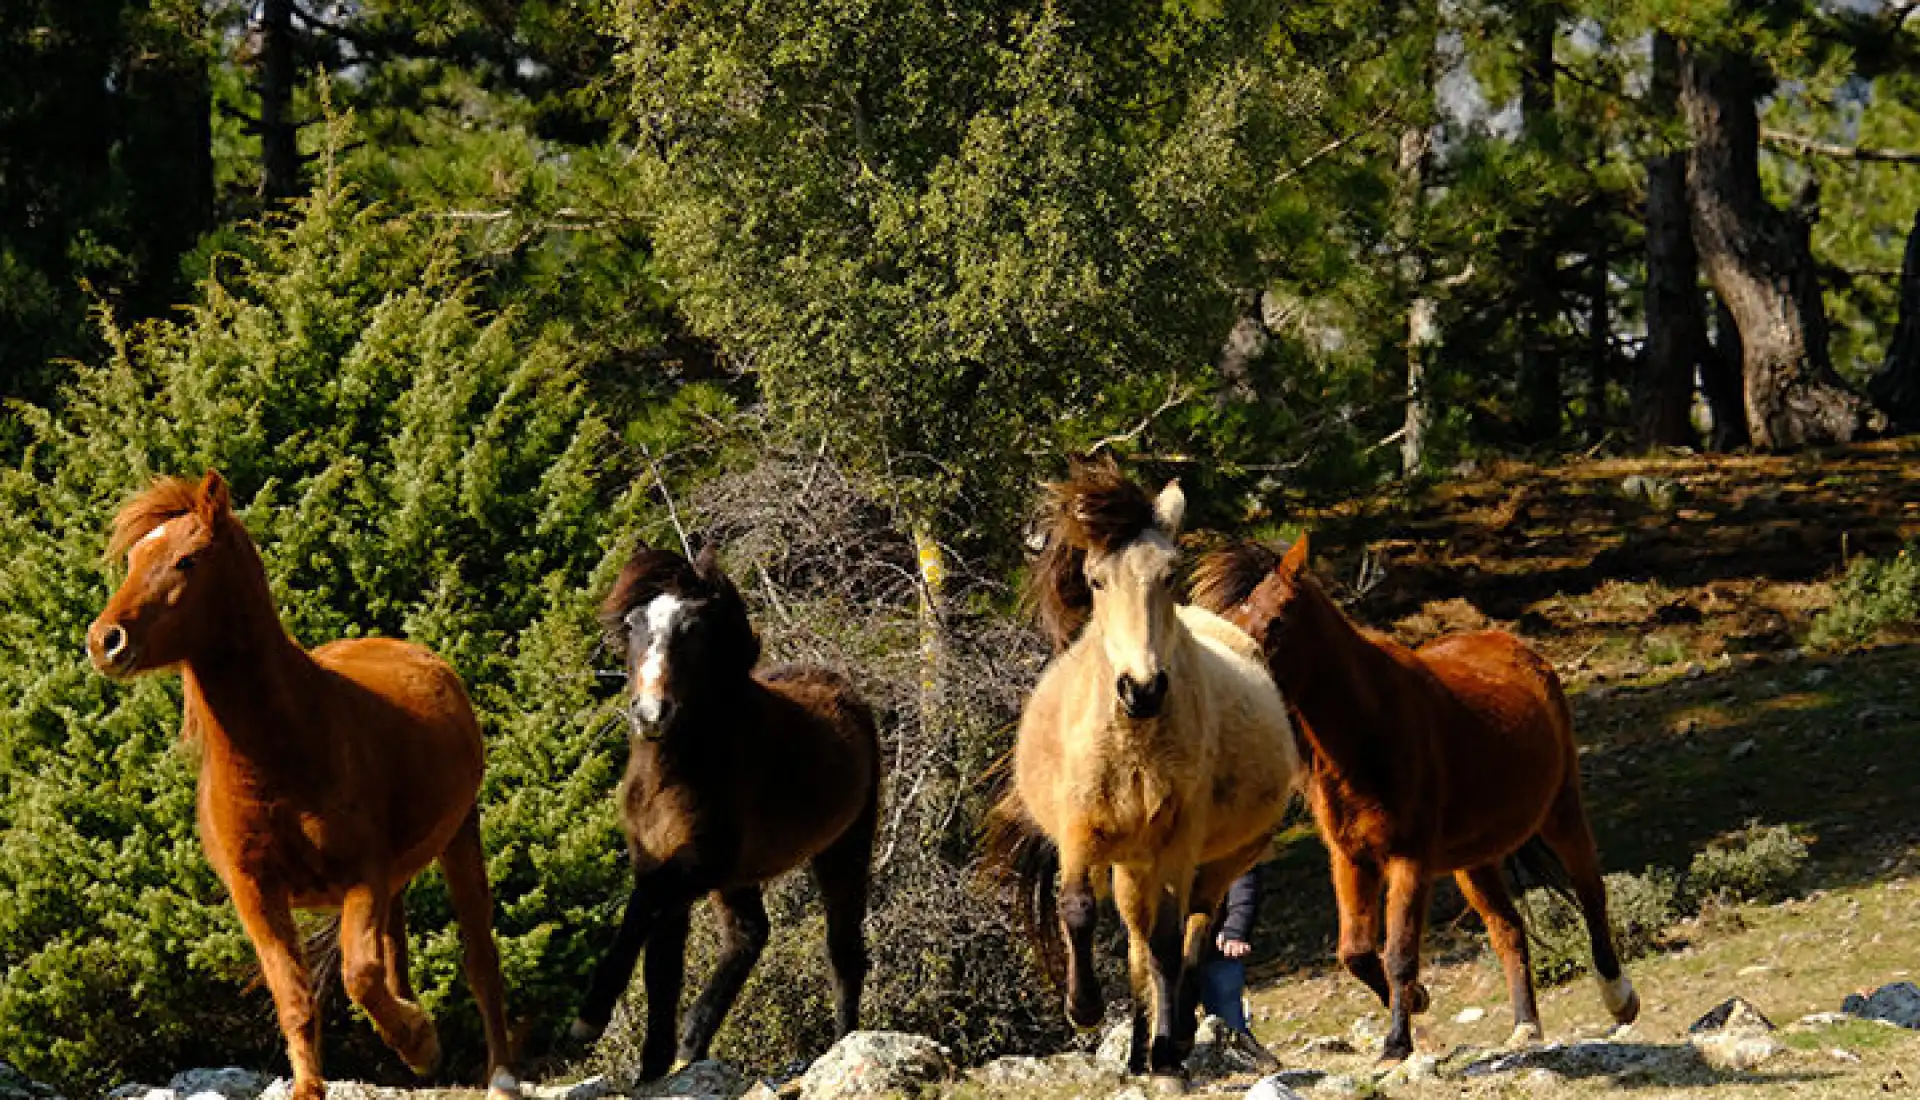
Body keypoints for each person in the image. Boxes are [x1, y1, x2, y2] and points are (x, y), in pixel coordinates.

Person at [1198, 864, 1261, 1034]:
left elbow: (1243, 883)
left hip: (1218, 952)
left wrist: (1234, 931)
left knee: (1231, 1029)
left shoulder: (1226, 849)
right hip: (1169, 959)